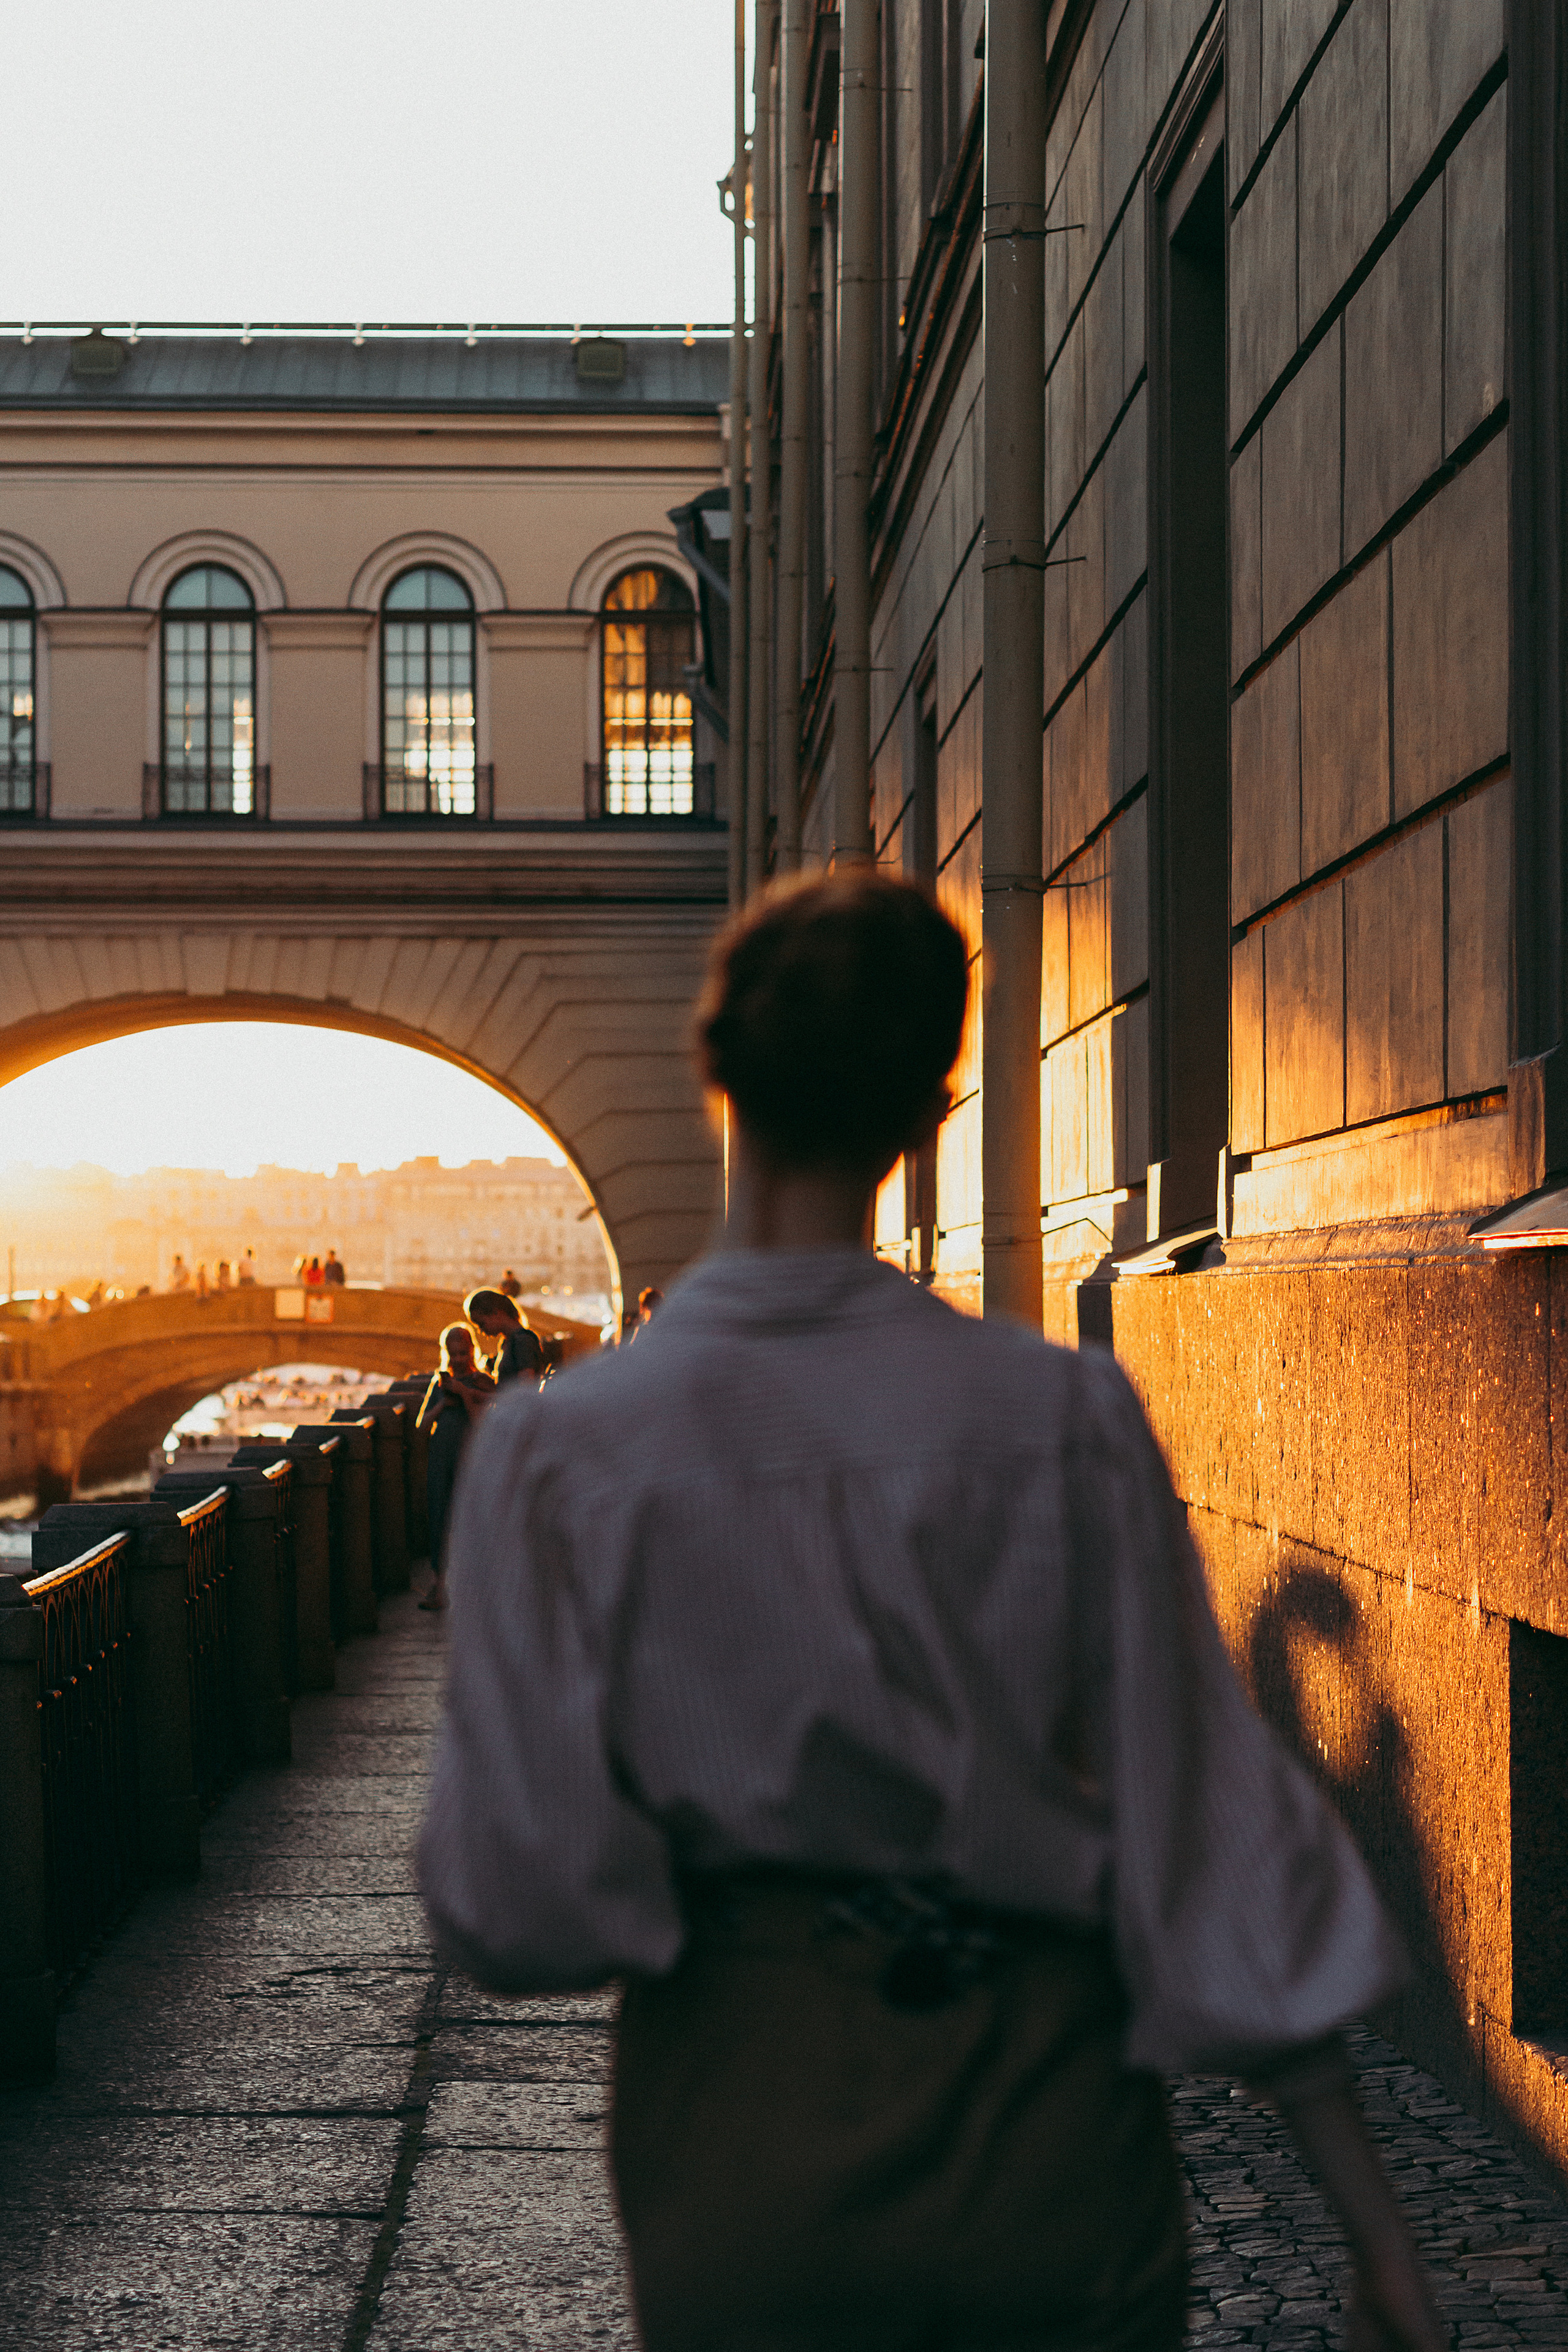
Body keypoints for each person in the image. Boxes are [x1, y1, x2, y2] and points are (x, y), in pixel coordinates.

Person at [420, 873, 1444, 2352]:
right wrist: (1372, 2228)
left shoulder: (563, 1450)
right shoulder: (1055, 1414)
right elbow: (1201, 1807)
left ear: (715, 1078)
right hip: (1041, 2097)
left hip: (741, 2121)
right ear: (927, 1114)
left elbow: (518, 1898)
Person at [416, 1322, 495, 1613]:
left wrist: (463, 1393)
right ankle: (439, 1585)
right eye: (454, 1353)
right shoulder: (439, 1384)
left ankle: (476, 1585)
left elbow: (481, 1423)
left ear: (472, 1351)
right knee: (439, 1517)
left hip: (470, 1457)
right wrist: (443, 1405)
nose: (459, 1359)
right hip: (441, 1456)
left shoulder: (483, 1382)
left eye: (463, 1353)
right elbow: (422, 1425)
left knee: (472, 1518)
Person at [462, 1287, 546, 1384]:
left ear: (495, 1312)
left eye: (481, 1324)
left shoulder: (523, 1340)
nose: (481, 1331)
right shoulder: (507, 1342)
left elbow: (526, 1385)